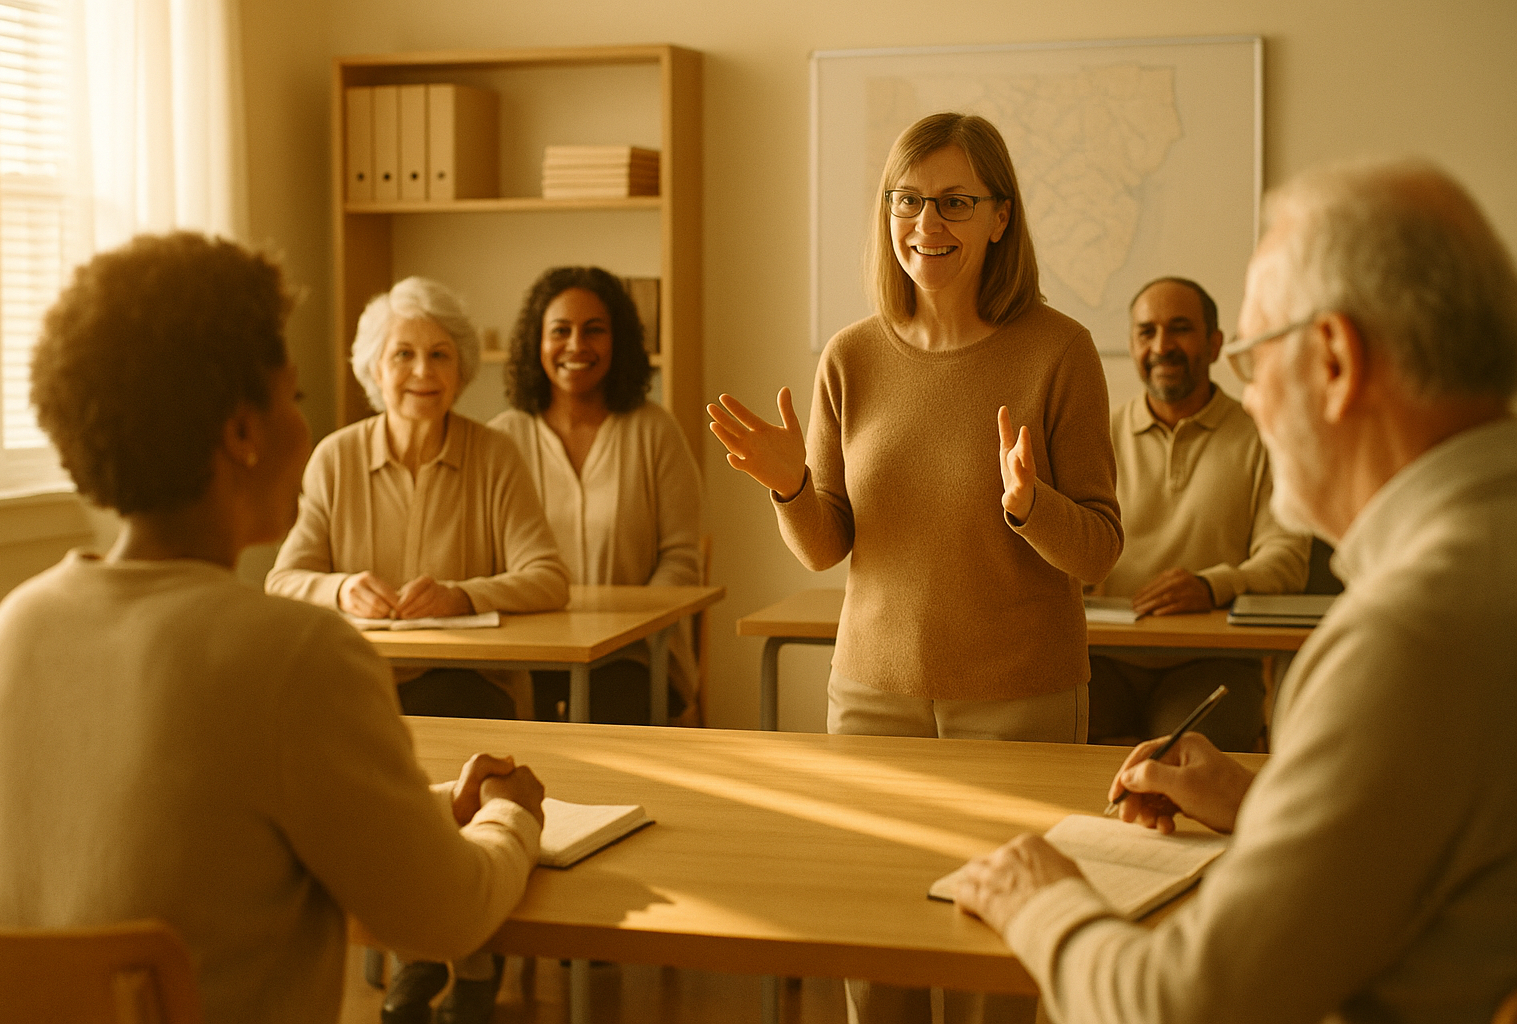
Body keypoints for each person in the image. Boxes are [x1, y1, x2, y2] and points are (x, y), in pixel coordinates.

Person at [952, 159, 1517, 1023]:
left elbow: (1178, 1008)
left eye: (1250, 357)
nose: (1247, 399)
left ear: (1333, 358)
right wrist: (1262, 807)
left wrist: (1042, 901)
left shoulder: (1407, 636)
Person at [0, 233, 548, 1024]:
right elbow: (445, 917)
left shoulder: (14, 630)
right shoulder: (298, 655)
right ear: (243, 435)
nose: (305, 429)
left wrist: (433, 802)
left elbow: (217, 812)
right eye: (295, 398)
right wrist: (511, 815)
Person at [710, 112, 1123, 1024]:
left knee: (1003, 962)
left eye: (953, 202)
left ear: (999, 219)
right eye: (907, 200)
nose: (925, 225)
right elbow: (827, 545)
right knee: (880, 953)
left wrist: (1027, 505)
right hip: (871, 697)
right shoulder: (850, 356)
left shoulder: (1059, 350)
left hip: (1020, 696)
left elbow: (1098, 551)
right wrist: (788, 487)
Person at [265, 275, 567, 1023]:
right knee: (368, 751)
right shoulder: (334, 459)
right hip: (367, 683)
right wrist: (339, 590)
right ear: (374, 369)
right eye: (403, 355)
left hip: (473, 684)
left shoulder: (494, 455)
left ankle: (451, 957)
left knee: (434, 753)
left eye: (439, 355)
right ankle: (436, 954)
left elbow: (548, 577)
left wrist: (464, 594)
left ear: (463, 368)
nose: (423, 374)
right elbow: (282, 577)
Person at [1089, 277, 1310, 751]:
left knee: (1182, 758)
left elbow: (1288, 560)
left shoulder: (1263, 436)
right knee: (1055, 746)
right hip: (1102, 659)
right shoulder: (1097, 434)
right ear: (1132, 346)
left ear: (1214, 345)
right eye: (1147, 332)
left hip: (1215, 660)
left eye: (1180, 329)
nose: (1162, 346)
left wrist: (1211, 586)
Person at [490, 266, 702, 725]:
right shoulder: (502, 440)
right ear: (536, 343)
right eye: (560, 331)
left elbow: (681, 560)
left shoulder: (656, 432)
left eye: (594, 331)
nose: (576, 346)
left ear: (618, 341)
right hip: (525, 655)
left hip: (639, 658)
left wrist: (622, 633)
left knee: (612, 712)